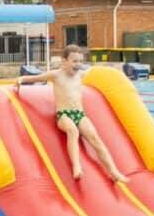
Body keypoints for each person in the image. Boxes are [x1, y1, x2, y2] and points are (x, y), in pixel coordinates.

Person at [16, 45, 128, 183]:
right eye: (74, 61)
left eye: (80, 61)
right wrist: (22, 79)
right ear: (64, 61)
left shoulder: (81, 75)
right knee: (73, 131)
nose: (78, 64)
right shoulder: (56, 75)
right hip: (64, 114)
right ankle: (76, 166)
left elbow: (97, 73)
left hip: (79, 114)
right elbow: (37, 78)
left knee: (95, 137)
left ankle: (113, 171)